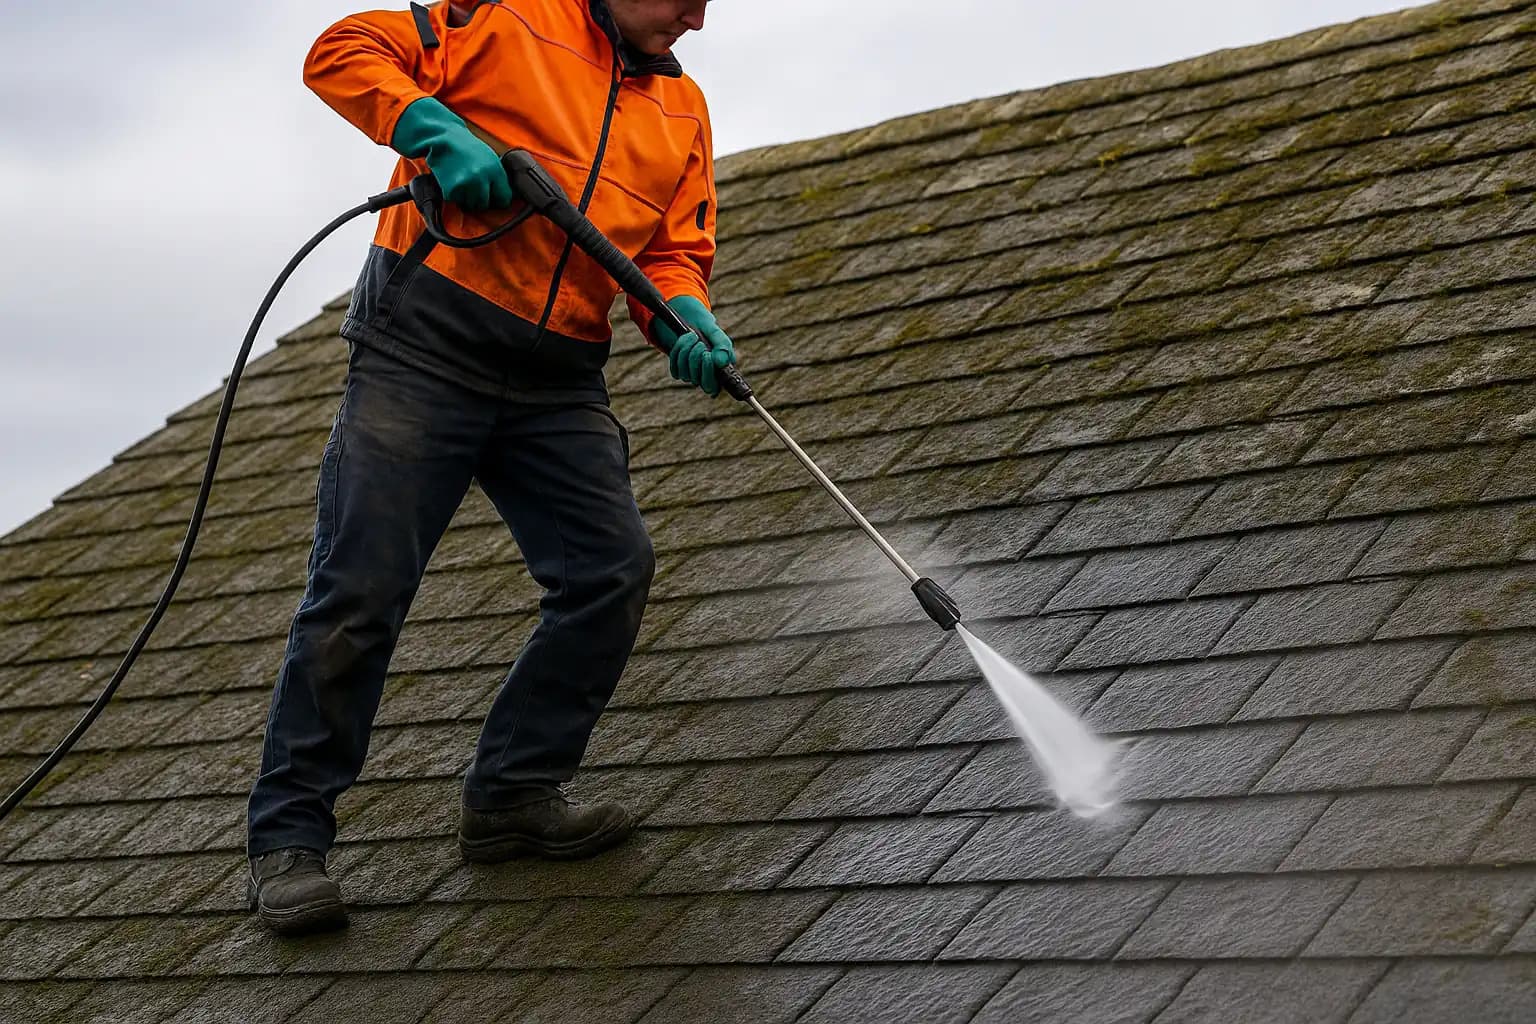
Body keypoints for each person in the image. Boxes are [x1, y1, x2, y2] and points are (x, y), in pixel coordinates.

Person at [245, 0, 729, 936]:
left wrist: (683, 313)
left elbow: (671, 249)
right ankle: (288, 840)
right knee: (361, 588)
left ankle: (511, 794)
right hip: (425, 345)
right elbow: (342, 50)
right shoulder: (501, 13)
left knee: (610, 568)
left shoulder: (685, 110)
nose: (697, 19)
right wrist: (431, 126)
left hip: (559, 378)